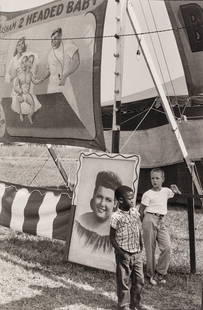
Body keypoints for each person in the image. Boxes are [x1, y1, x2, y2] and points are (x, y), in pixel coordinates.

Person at [139, 168, 181, 286]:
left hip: (162, 220)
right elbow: (141, 210)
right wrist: (145, 223)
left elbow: (178, 194)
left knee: (167, 247)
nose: (155, 181)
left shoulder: (166, 191)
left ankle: (160, 272)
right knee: (150, 248)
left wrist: (176, 190)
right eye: (152, 178)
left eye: (157, 178)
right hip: (149, 219)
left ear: (163, 179)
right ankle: (151, 275)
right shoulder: (148, 194)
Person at [110, 186, 147, 310]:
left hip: (137, 254)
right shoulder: (116, 217)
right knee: (123, 281)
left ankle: (136, 303)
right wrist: (121, 253)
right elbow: (112, 238)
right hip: (124, 255)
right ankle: (124, 305)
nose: (133, 201)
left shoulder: (135, 212)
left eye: (133, 198)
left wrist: (140, 246)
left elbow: (138, 229)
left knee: (139, 280)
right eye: (130, 199)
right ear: (120, 200)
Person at [75, 170, 122, 253]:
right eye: (99, 197)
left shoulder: (119, 233)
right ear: (94, 195)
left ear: (115, 204)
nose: (102, 204)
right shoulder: (80, 222)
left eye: (108, 200)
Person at [42, 27, 80, 116]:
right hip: (52, 85)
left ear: (60, 37)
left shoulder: (68, 45)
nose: (53, 41)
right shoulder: (51, 52)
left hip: (64, 83)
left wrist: (65, 76)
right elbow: (49, 70)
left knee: (71, 108)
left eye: (55, 39)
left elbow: (76, 61)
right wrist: (42, 79)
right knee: (51, 109)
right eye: (51, 39)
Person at [13, 54, 42, 124]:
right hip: (21, 94)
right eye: (28, 61)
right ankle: (20, 114)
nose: (29, 64)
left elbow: (34, 81)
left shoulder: (30, 74)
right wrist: (19, 90)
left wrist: (40, 81)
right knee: (17, 100)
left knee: (33, 104)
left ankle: (30, 116)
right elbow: (15, 86)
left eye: (31, 62)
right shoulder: (20, 74)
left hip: (27, 94)